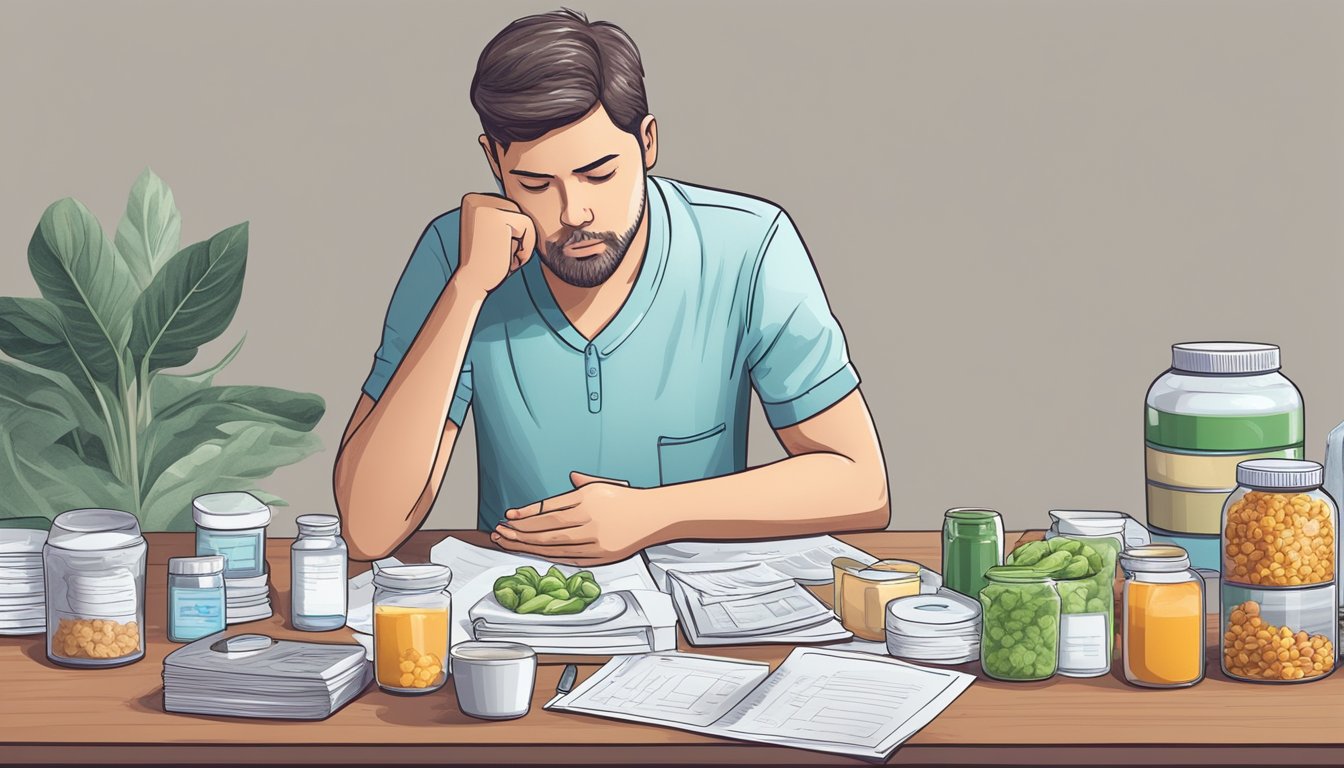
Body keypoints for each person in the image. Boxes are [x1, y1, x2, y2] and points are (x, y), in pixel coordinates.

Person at [333, 9, 890, 565]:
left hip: (691, 629)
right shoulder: (456, 254)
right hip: (518, 623)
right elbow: (367, 527)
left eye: (599, 174)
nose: (574, 212)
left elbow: (860, 482)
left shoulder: (750, 245)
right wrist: (466, 291)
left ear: (647, 143)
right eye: (535, 183)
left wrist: (651, 514)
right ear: (493, 161)